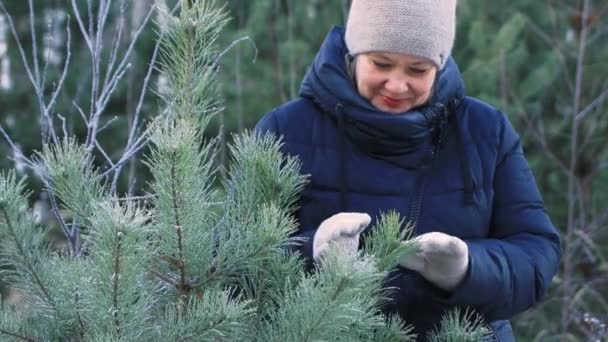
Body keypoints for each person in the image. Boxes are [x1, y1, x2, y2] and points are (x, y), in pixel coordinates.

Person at [255, 0, 561, 340]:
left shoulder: (485, 132)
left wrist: (466, 269)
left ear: (439, 67)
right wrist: (312, 252)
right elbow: (234, 260)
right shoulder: (287, 129)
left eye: (418, 70)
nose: (396, 85)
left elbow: (537, 254)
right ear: (354, 54)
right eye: (381, 63)